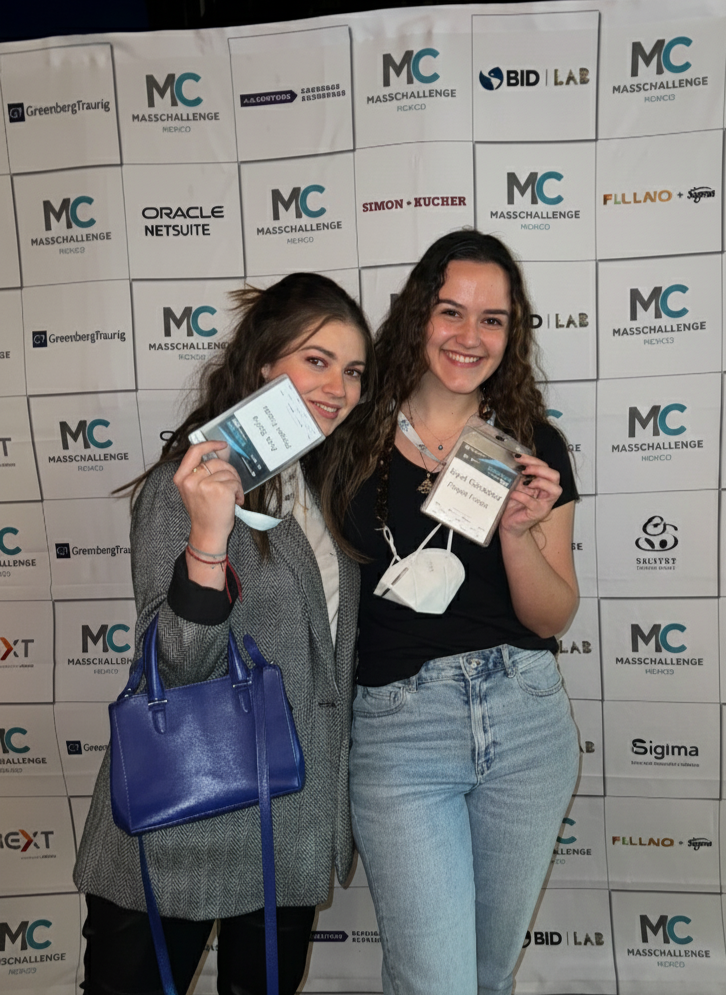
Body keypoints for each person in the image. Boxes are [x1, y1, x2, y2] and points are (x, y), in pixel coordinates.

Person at [74, 272, 375, 995]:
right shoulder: (185, 484)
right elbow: (174, 663)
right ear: (264, 363)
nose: (338, 386)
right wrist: (208, 541)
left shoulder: (320, 490)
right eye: (316, 360)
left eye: (353, 370)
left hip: (288, 819)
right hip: (179, 819)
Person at [341, 230, 581, 995]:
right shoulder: (346, 438)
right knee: (434, 982)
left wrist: (516, 533)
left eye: (492, 319)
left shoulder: (532, 446)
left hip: (525, 717)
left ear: (512, 334)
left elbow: (550, 617)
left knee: (486, 975)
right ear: (418, 313)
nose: (468, 336)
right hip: (400, 732)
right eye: (451, 311)